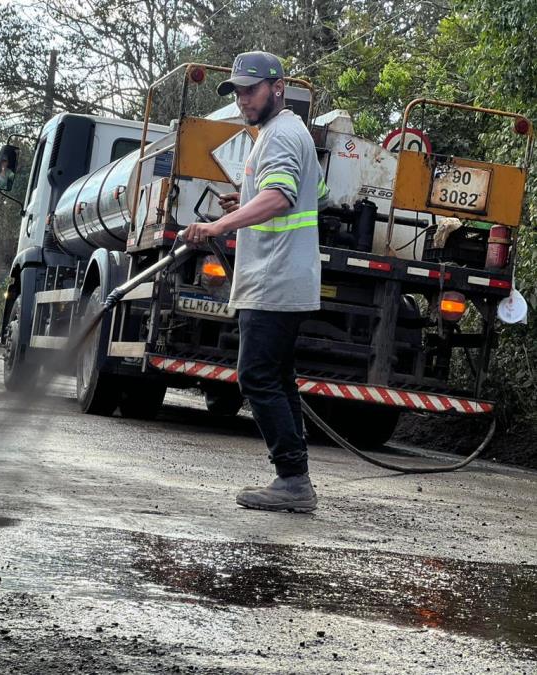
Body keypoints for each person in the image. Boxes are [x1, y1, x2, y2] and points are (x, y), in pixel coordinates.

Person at [182, 51, 329, 513]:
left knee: (256, 375)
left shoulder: (280, 134)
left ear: (278, 87)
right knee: (278, 378)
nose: (243, 99)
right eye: (238, 92)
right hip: (283, 275)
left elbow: (282, 196)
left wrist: (219, 227)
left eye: (251, 90)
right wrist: (242, 203)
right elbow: (315, 191)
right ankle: (295, 477)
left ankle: (292, 480)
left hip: (273, 277)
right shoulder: (282, 133)